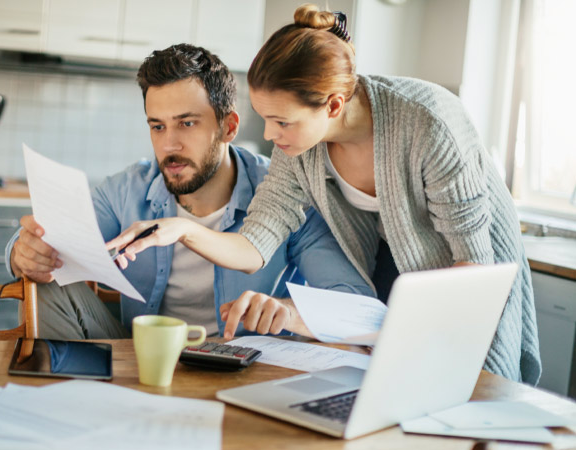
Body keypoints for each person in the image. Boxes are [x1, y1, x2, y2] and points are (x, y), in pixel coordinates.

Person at [108, 6, 540, 384]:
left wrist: (417, 330)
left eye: (282, 122)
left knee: (471, 392)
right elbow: (256, 243)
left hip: (465, 272)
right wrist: (182, 230)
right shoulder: (299, 148)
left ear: (333, 106)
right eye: (265, 120)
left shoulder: (427, 122)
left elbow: (473, 266)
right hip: (394, 273)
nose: (271, 137)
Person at [6, 43, 372, 341]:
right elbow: (51, 246)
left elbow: (355, 304)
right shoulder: (125, 189)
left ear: (228, 127)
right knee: (44, 284)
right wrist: (23, 253)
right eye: (158, 127)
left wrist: (287, 310)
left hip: (243, 366)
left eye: (187, 123)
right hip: (141, 357)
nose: (169, 145)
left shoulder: (286, 195)